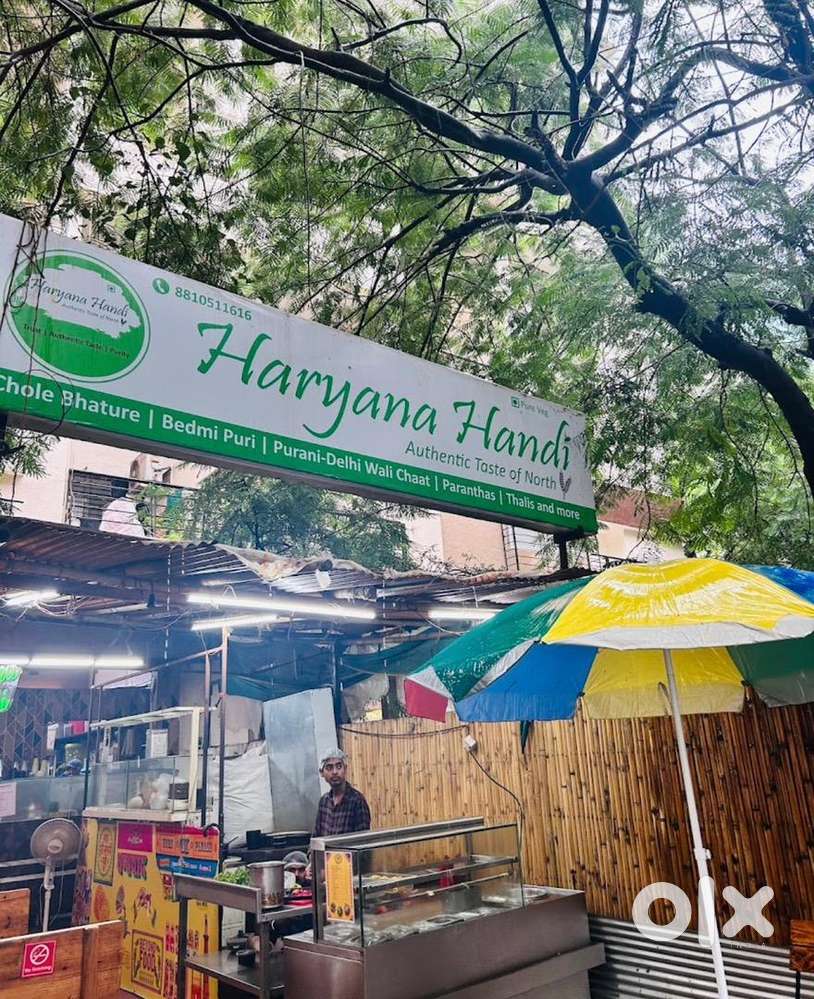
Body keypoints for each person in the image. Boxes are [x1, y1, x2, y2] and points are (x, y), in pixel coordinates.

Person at [312, 748, 371, 837]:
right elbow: (316, 836)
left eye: (339, 766)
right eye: (329, 768)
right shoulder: (324, 802)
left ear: (345, 769)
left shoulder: (357, 801)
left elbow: (363, 840)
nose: (335, 772)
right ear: (322, 773)